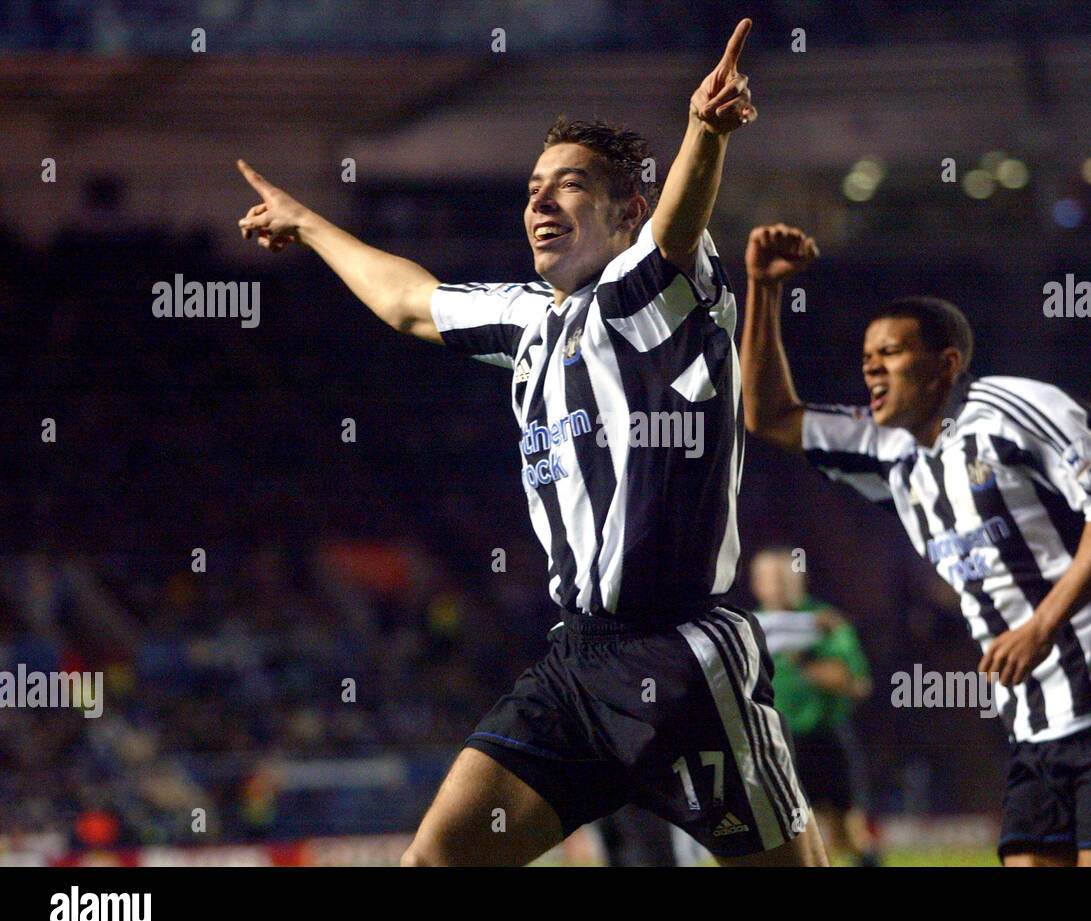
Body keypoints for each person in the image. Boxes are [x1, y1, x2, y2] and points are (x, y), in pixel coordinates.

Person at [235, 21, 825, 867]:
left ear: (628, 208)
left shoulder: (658, 296)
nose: (540, 202)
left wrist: (704, 132)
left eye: (570, 186)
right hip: (576, 663)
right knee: (435, 861)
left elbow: (681, 225)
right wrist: (312, 226)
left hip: (686, 658)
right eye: (534, 187)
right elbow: (409, 300)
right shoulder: (527, 320)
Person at [738, 222, 1091, 867]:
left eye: (892, 352)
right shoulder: (890, 450)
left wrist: (1043, 624)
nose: (871, 366)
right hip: (1031, 730)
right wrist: (763, 292)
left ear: (946, 364)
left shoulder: (1009, 409)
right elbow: (769, 415)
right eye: (866, 356)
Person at [749, 547, 881, 865]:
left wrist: (805, 660)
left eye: (786, 577)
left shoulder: (826, 622)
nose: (780, 586)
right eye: (772, 578)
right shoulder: (748, 627)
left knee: (848, 831)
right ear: (756, 584)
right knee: (779, 835)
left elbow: (857, 683)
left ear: (801, 579)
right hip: (771, 743)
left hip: (824, 738)